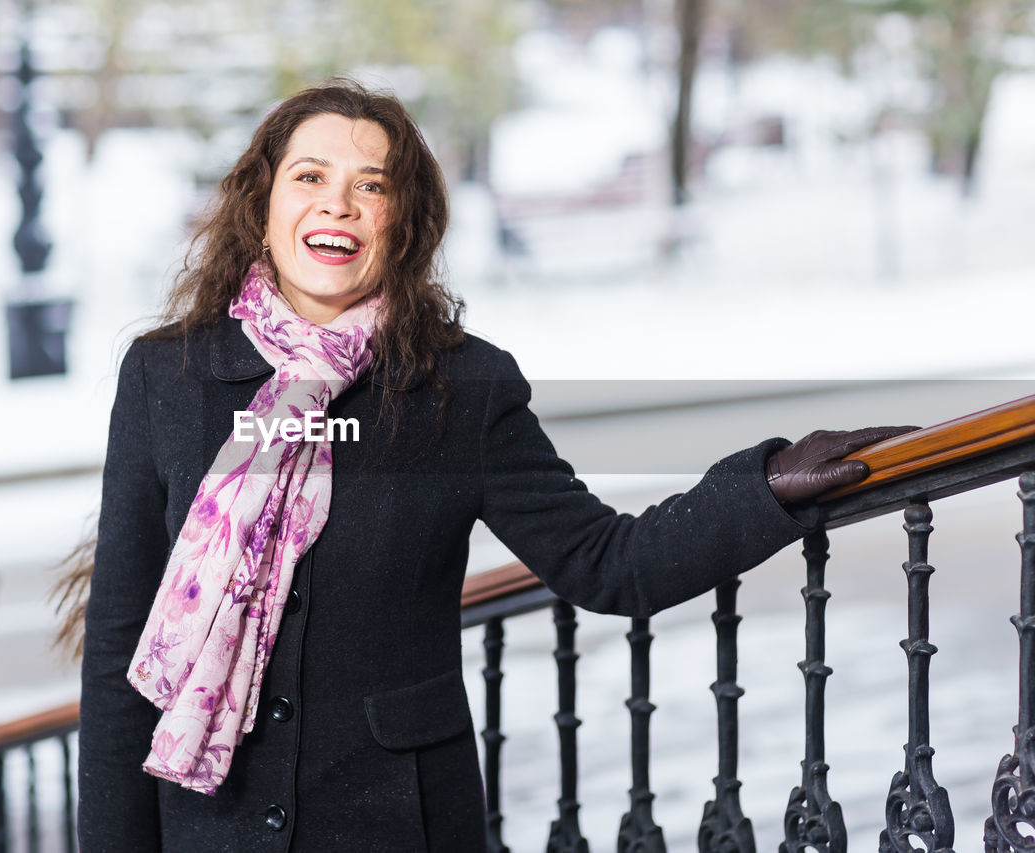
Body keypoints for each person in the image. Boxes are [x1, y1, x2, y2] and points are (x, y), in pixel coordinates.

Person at [64, 80, 911, 852]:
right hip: (212, 826)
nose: (341, 205)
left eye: (372, 185)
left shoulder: (460, 388)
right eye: (311, 177)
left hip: (398, 820)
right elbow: (117, 659)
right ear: (264, 202)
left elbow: (604, 561)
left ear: (406, 221)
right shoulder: (167, 378)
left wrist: (761, 488)